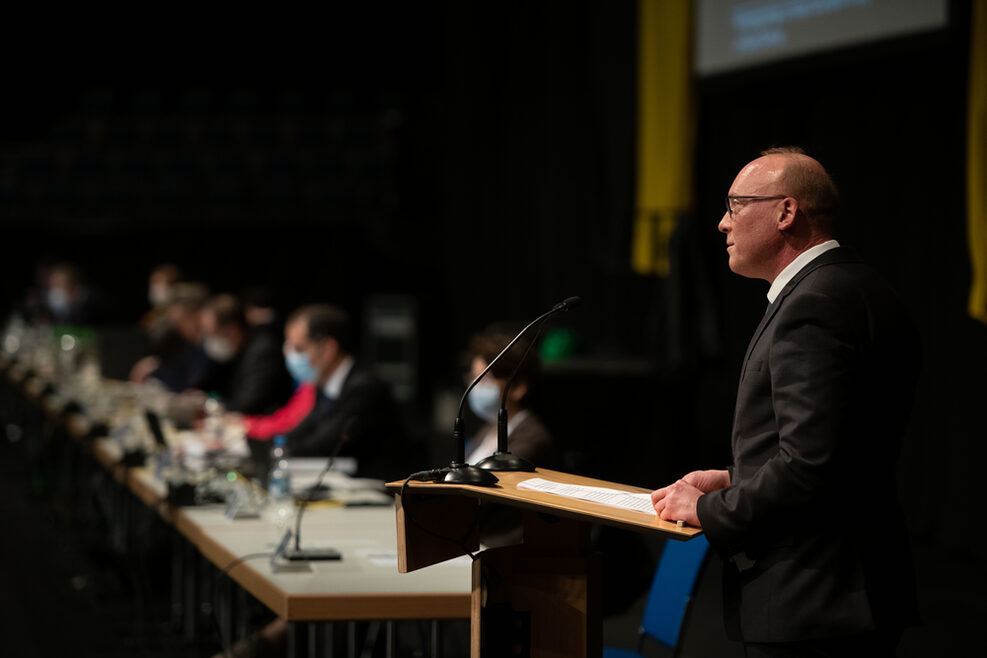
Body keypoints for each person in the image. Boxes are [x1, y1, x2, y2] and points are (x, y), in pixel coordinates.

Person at [650, 147, 920, 657]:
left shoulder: (813, 305)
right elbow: (843, 447)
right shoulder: (862, 287)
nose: (721, 223)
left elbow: (811, 465)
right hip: (855, 587)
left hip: (814, 596)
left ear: (786, 212)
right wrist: (736, 475)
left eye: (735, 205)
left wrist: (711, 508)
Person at [280, 304, 407, 480]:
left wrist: (281, 451)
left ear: (328, 348)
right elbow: (305, 430)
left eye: (299, 348)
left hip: (380, 494)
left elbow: (324, 444)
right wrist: (278, 446)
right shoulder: (325, 385)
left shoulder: (365, 388)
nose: (291, 356)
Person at [464, 330, 555, 468]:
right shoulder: (487, 430)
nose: (475, 386)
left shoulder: (533, 438)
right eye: (474, 378)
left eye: (486, 379)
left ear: (519, 387)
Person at [195, 293, 293, 415]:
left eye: (213, 333)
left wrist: (211, 408)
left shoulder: (263, 351)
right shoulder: (239, 349)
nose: (209, 339)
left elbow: (249, 405)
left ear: (232, 330)